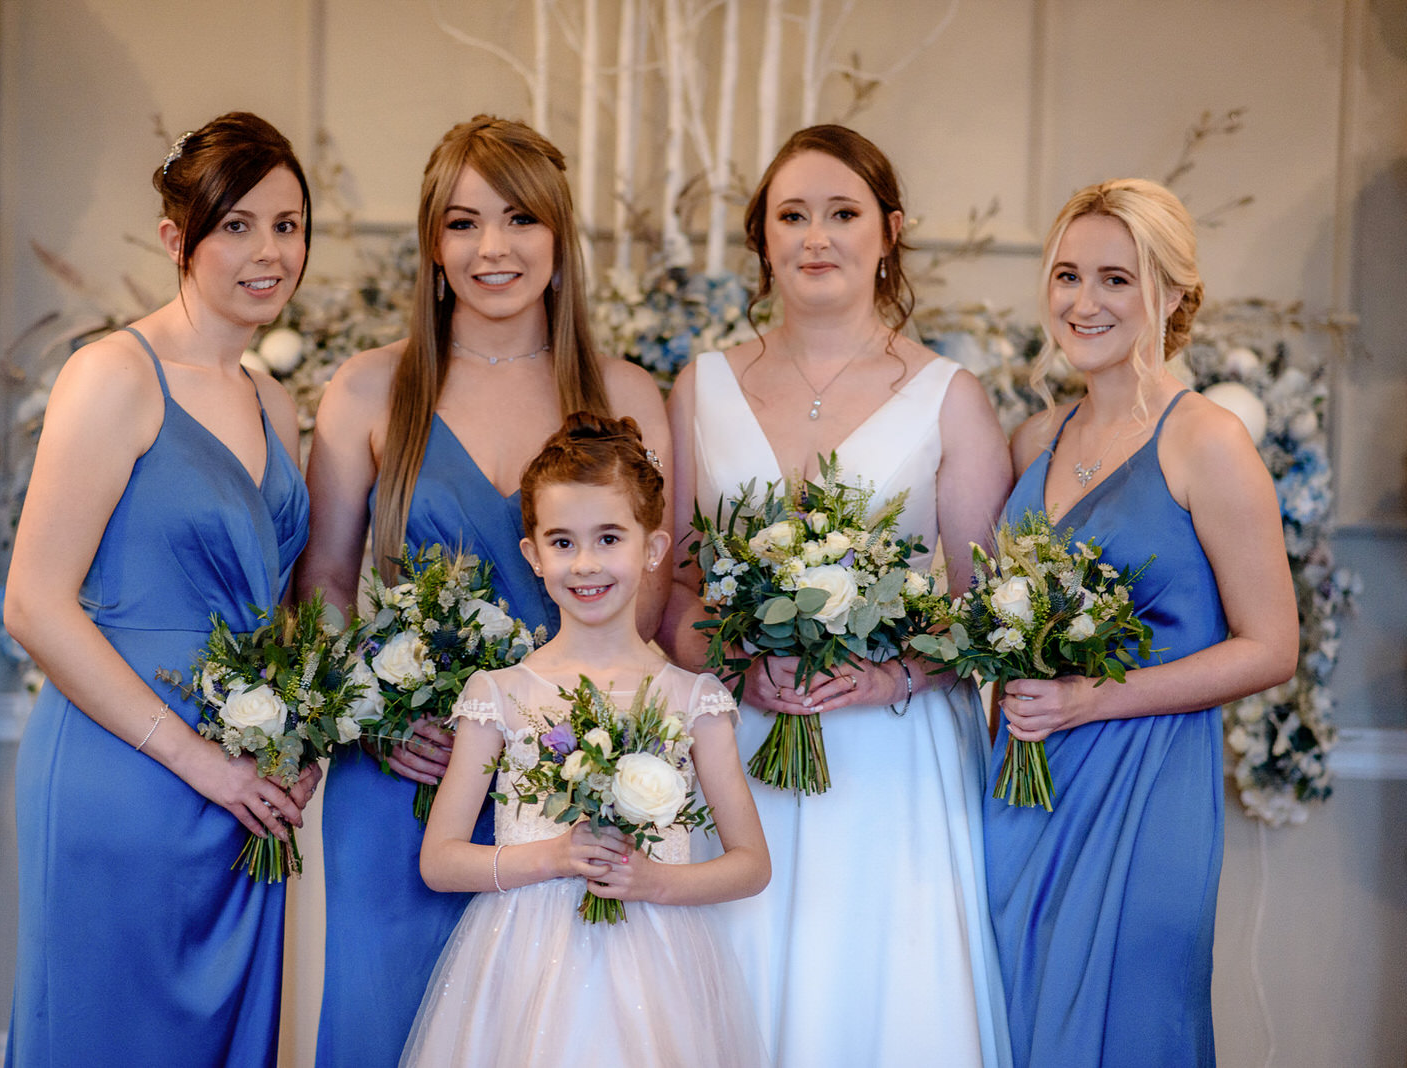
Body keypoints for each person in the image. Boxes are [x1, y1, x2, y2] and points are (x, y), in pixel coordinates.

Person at [299, 115, 671, 1066]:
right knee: (384, 1023)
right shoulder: (369, 391)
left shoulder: (627, 394)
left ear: (560, 235)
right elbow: (328, 579)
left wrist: (590, 752)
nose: (492, 249)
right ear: (432, 242)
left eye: (519, 220)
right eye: (462, 223)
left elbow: (658, 602)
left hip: (567, 781)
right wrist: (378, 715)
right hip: (406, 779)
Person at [660, 124, 1014, 1066]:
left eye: (843, 213)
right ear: (763, 239)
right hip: (736, 743)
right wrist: (734, 655)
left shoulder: (952, 397)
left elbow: (985, 613)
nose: (817, 237)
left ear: (889, 231)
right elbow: (676, 588)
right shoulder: (698, 388)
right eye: (793, 215)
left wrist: (892, 674)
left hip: (891, 762)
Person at [2, 112, 318, 1066]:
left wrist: (298, 742)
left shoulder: (276, 402)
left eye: (289, 225)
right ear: (176, 238)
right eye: (237, 225)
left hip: (242, 786)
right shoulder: (113, 376)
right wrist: (200, 763)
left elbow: (283, 606)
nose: (269, 251)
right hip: (126, 775)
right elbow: (33, 604)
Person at [984, 178, 1298, 1067]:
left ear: (1172, 295)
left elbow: (1272, 647)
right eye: (1067, 275)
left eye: (1116, 279)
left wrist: (1092, 700)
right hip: (1024, 783)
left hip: (1150, 782)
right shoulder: (1032, 441)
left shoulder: (1208, 442)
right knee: (1017, 1012)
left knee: (1135, 1024)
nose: (1084, 303)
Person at [400, 413, 769, 1067]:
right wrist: (556, 856)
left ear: (652, 549)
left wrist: (653, 881)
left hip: (656, 963)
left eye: (608, 538)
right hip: (524, 962)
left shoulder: (693, 698)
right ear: (533, 555)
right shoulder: (498, 694)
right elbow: (441, 860)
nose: (586, 563)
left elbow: (750, 864)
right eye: (563, 542)